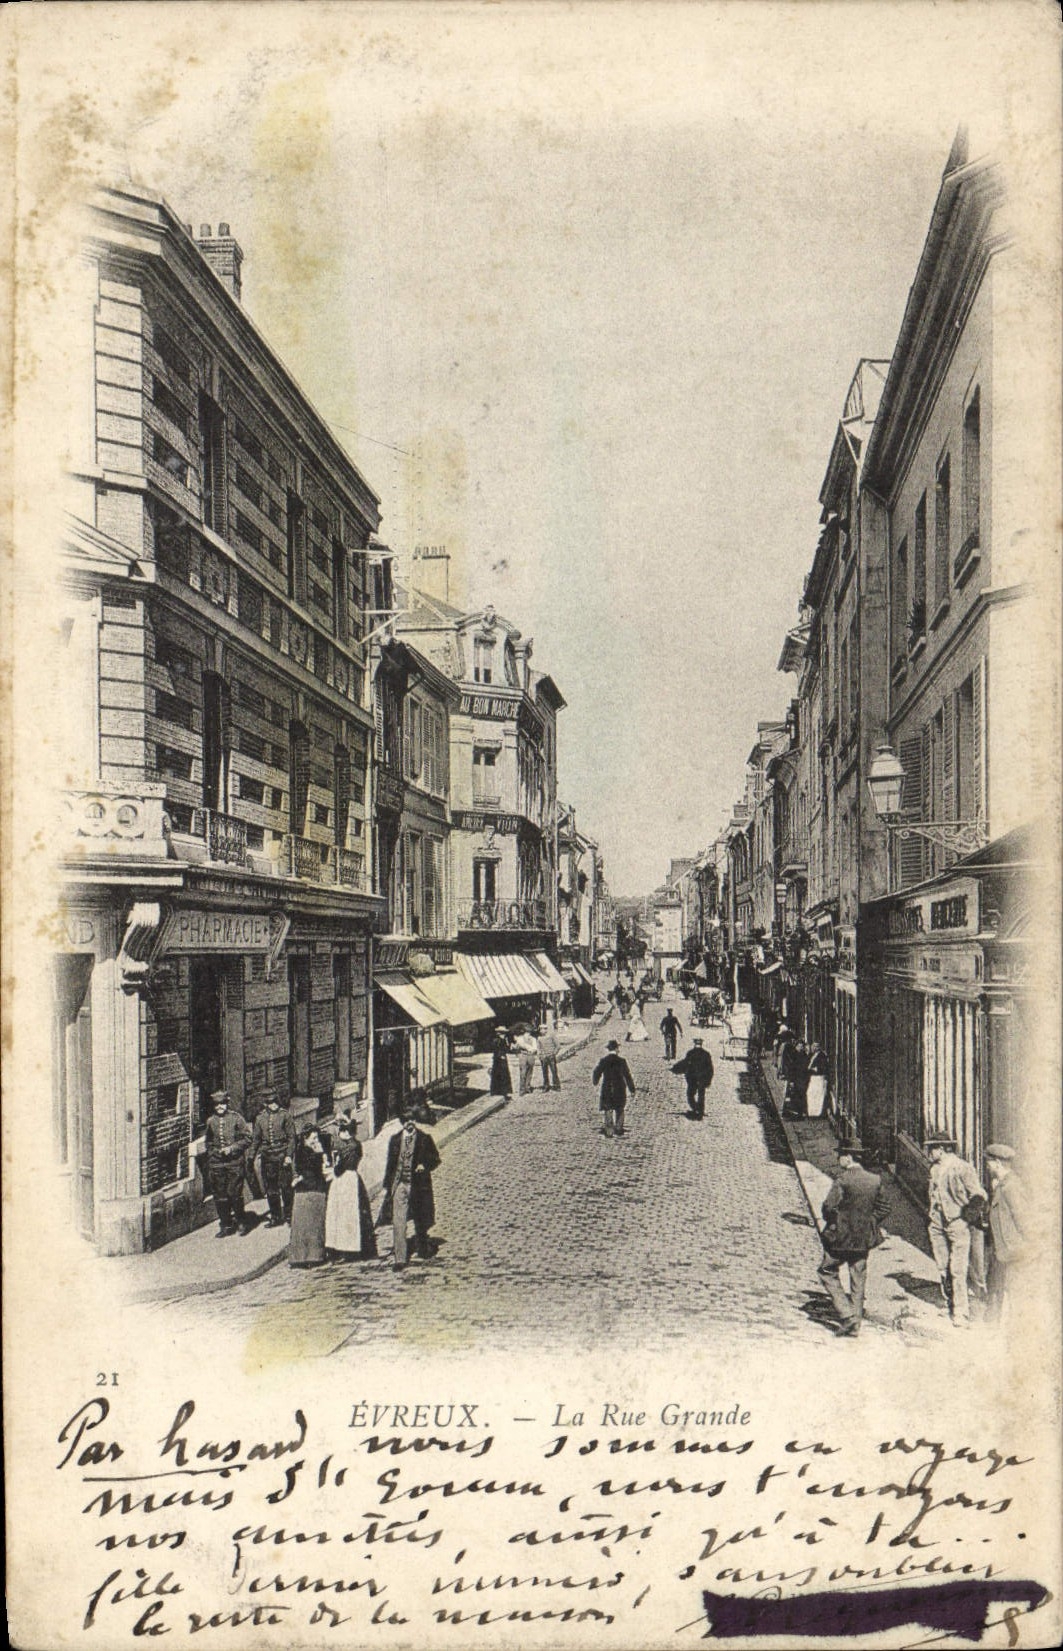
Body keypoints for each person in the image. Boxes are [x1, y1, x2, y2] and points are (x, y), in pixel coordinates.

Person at [817, 1138, 889, 1336]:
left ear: (848, 1157)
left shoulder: (843, 1180)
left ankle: (847, 1315)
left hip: (841, 1239)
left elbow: (829, 1207)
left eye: (840, 1155)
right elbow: (884, 1208)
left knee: (827, 1271)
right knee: (858, 1278)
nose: (838, 1158)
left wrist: (835, 1221)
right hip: (863, 1238)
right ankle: (855, 1324)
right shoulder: (875, 1180)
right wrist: (869, 1223)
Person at [925, 1132, 988, 1325]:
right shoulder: (935, 1169)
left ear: (942, 1149)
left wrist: (964, 1219)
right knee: (943, 1267)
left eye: (932, 1148)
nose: (929, 1152)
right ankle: (950, 1303)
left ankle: (961, 1312)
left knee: (958, 1269)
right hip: (937, 1224)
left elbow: (979, 1196)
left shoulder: (962, 1168)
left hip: (957, 1223)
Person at [380, 1094, 441, 1268]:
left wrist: (426, 1165)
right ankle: (400, 1258)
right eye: (405, 1121)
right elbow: (390, 1165)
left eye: (411, 1120)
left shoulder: (424, 1139)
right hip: (399, 1184)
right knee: (398, 1221)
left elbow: (436, 1159)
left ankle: (423, 1247)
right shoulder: (395, 1140)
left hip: (418, 1185)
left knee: (420, 1219)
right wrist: (388, 1186)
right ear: (401, 1122)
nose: (409, 1124)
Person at [984, 1144, 1027, 1322]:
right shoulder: (1002, 1185)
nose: (987, 1166)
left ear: (997, 1163)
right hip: (1002, 1249)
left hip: (1012, 1250)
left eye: (988, 1162)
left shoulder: (1011, 1187)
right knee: (999, 1288)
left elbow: (1024, 1220)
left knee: (1013, 1291)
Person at [324, 1119, 377, 1260]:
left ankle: (349, 1248)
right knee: (342, 1214)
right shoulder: (352, 1144)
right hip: (346, 1179)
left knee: (347, 1214)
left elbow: (342, 1165)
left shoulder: (352, 1146)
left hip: (346, 1180)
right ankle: (344, 1247)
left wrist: (333, 1172)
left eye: (343, 1131)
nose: (341, 1134)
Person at [204, 1090, 253, 1237]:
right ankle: (225, 1224)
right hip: (217, 1164)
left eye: (222, 1104)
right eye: (217, 1104)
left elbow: (248, 1139)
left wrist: (232, 1149)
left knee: (234, 1193)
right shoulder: (211, 1121)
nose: (219, 1107)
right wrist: (214, 1152)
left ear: (227, 1104)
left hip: (234, 1163)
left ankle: (241, 1222)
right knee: (220, 1196)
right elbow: (208, 1141)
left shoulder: (237, 1119)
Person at [288, 1123, 331, 1267]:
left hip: (302, 1192)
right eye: (314, 1137)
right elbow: (317, 1168)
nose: (316, 1140)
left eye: (317, 1137)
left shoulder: (300, 1151)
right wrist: (320, 1153)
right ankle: (315, 1256)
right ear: (306, 1138)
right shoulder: (309, 1152)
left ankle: (299, 1258)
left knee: (302, 1228)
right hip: (313, 1191)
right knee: (314, 1226)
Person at [250, 1096, 295, 1227]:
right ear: (265, 1104)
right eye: (270, 1103)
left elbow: (292, 1138)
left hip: (282, 1156)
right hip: (268, 1158)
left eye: (276, 1102)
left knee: (286, 1187)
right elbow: (256, 1139)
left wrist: (289, 1155)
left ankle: (289, 1215)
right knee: (271, 1189)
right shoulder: (260, 1118)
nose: (274, 1105)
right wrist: (251, 1156)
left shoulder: (285, 1116)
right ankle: (275, 1217)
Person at [593, 1038, 636, 1137]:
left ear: (609, 1049)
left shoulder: (604, 1061)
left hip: (607, 1087)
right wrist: (632, 1089)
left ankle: (609, 1131)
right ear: (616, 1049)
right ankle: (619, 1128)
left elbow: (597, 1072)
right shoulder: (621, 1061)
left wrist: (595, 1081)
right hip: (619, 1088)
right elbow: (627, 1075)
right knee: (620, 1108)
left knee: (608, 1108)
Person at [672, 1036, 715, 1119]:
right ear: (701, 1044)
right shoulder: (706, 1054)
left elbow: (685, 1063)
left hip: (692, 1078)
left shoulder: (690, 1053)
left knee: (690, 1094)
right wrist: (709, 1079)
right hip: (702, 1078)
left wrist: (675, 1068)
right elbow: (710, 1068)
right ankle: (700, 1111)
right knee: (701, 1095)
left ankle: (696, 1108)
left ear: (695, 1044)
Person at [782, 1039, 809, 1119]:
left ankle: (799, 1113)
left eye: (802, 1046)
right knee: (793, 1095)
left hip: (802, 1078)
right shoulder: (793, 1055)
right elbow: (791, 1069)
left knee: (800, 1095)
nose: (800, 1048)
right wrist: (791, 1080)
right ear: (796, 1046)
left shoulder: (804, 1055)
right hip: (795, 1078)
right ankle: (792, 1114)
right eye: (799, 1046)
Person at [805, 1042, 829, 1118]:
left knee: (818, 1095)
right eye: (812, 1046)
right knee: (811, 1094)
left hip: (818, 1078)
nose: (812, 1048)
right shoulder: (812, 1055)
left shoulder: (822, 1055)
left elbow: (822, 1068)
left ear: (818, 1047)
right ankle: (812, 1112)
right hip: (813, 1078)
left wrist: (813, 1069)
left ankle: (817, 1113)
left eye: (814, 1046)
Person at [512, 1028, 538, 1095]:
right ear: (524, 1033)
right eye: (526, 1032)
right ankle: (522, 1089)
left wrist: (531, 1049)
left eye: (529, 1032)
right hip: (523, 1056)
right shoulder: (520, 1039)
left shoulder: (533, 1039)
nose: (527, 1034)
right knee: (523, 1072)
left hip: (531, 1055)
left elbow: (535, 1048)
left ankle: (528, 1087)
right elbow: (519, 1046)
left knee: (530, 1072)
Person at [489, 1028, 513, 1097]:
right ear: (499, 1033)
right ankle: (500, 1091)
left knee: (503, 1075)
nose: (504, 1035)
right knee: (501, 1075)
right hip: (499, 1060)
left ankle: (502, 1091)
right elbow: (496, 1049)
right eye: (503, 1033)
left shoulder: (503, 1040)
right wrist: (500, 1055)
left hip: (501, 1059)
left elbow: (506, 1049)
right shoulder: (497, 1040)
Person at [537, 1022, 561, 1090]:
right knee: (545, 1072)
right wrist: (540, 1055)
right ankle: (546, 1086)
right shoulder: (539, 1038)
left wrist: (554, 1053)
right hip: (543, 1057)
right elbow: (538, 1048)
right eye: (540, 1029)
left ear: (546, 1030)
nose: (542, 1031)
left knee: (554, 1071)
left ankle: (556, 1085)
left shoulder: (551, 1036)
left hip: (551, 1056)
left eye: (544, 1029)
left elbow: (558, 1046)